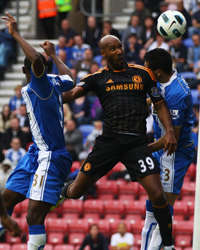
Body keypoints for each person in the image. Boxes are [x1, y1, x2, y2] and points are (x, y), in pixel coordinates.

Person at [62, 35, 177, 250]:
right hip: (109, 143)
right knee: (76, 191)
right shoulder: (97, 77)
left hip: (136, 144)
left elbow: (159, 104)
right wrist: (46, 93)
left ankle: (169, 245)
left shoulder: (143, 74)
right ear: (104, 54)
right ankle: (61, 191)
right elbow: (72, 94)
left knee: (158, 195)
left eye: (119, 47)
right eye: (112, 49)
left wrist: (169, 131)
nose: (118, 51)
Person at [1, 13, 74, 250]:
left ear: (29, 70)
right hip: (36, 153)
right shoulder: (54, 81)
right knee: (6, 201)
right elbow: (70, 79)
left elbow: (37, 62)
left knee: (33, 216)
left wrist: (15, 35)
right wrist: (53, 55)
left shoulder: (40, 83)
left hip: (51, 155)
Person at [141, 48, 195, 250]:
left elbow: (173, 139)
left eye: (147, 68)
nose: (144, 70)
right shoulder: (161, 81)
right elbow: (155, 98)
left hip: (174, 153)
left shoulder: (177, 94)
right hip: (160, 147)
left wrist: (144, 149)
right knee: (152, 207)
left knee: (160, 209)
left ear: (158, 71)